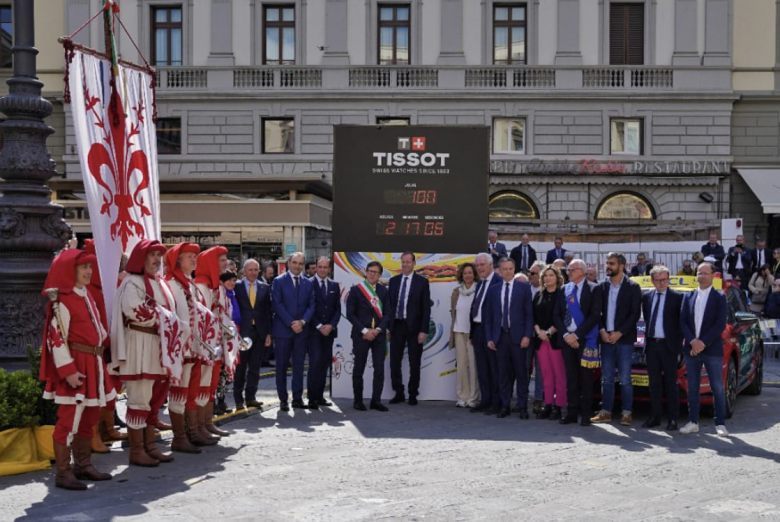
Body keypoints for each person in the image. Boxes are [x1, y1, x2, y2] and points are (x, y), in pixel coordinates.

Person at [40, 249, 116, 490]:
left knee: (90, 417)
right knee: (68, 420)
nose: (88, 271)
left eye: (90, 267)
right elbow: (56, 339)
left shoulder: (86, 295)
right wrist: (68, 371)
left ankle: (83, 465)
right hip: (78, 365)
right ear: (69, 271)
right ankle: (64, 473)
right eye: (83, 267)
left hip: (94, 362)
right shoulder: (63, 301)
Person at [111, 239, 180, 466]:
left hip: (157, 346)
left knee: (153, 399)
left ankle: (150, 446)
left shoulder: (159, 282)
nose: (157, 260)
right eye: (152, 255)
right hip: (140, 344)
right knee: (139, 398)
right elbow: (134, 310)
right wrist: (165, 318)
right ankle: (137, 451)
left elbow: (168, 311)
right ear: (141, 258)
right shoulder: (132, 282)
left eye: (159, 256)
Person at [82, 239, 125, 453]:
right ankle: (95, 434)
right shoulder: (87, 289)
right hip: (95, 347)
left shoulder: (111, 284)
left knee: (111, 387)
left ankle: (108, 428)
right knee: (96, 391)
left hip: (110, 342)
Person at [163, 242, 207, 453]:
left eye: (195, 256)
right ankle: (179, 437)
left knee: (188, 390)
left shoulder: (188, 284)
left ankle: (189, 432)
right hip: (180, 348)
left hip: (191, 347)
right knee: (179, 391)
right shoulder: (172, 284)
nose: (194, 259)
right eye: (189, 256)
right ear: (178, 260)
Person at [680, 262, 729, 436]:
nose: (701, 276)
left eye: (705, 273)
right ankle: (693, 421)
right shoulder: (688, 296)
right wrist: (693, 341)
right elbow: (683, 322)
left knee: (717, 387)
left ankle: (720, 423)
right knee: (692, 387)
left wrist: (702, 343)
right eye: (699, 273)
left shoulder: (719, 297)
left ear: (713, 275)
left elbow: (720, 324)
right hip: (692, 349)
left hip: (712, 350)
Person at [592, 253, 641, 426]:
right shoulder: (601, 287)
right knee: (606, 378)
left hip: (624, 340)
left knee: (625, 378)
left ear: (621, 266)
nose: (608, 266)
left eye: (611, 263)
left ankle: (626, 413)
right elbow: (596, 312)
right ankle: (606, 411)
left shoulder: (633, 287)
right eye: (607, 263)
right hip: (606, 339)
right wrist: (602, 331)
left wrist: (620, 333)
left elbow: (634, 314)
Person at [554, 259, 603, 426]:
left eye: (572, 269)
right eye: (568, 270)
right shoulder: (564, 289)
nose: (568, 272)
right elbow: (557, 315)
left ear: (582, 271)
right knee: (571, 378)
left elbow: (595, 315)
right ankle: (572, 413)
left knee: (586, 379)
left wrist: (577, 336)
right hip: (567, 339)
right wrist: (566, 335)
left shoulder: (594, 289)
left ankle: (586, 414)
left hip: (585, 340)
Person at [194, 246, 235, 440]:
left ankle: (207, 423)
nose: (226, 263)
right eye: (222, 260)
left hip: (216, 343)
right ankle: (198, 427)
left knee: (211, 384)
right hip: (206, 346)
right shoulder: (201, 286)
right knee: (202, 384)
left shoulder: (216, 286)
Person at [485, 258, 533, 418]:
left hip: (519, 338)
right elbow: (489, 317)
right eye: (504, 269)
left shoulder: (524, 288)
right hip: (500, 337)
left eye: (510, 268)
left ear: (514, 269)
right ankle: (505, 405)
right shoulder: (493, 290)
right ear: (499, 270)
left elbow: (529, 314)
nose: (508, 271)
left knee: (521, 374)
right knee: (503, 374)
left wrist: (527, 335)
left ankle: (522, 407)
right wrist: (490, 338)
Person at [271, 251, 316, 411]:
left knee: (299, 366)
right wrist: (291, 323)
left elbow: (312, 305)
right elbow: (277, 304)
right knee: (281, 366)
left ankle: (297, 398)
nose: (297, 266)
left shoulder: (308, 283)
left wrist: (302, 322)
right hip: (283, 331)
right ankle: (283, 399)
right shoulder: (278, 281)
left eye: (300, 263)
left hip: (302, 331)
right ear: (289, 263)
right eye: (295, 263)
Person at [642, 265, 683, 431]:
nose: (661, 283)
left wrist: (678, 346)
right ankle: (655, 417)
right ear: (652, 281)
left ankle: (673, 419)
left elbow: (681, 323)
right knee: (654, 384)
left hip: (669, 346)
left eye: (665, 280)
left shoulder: (677, 297)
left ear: (668, 280)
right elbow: (646, 319)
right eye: (658, 280)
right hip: (652, 344)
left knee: (671, 384)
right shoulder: (647, 297)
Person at [346, 261, 391, 411]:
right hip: (361, 335)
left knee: (379, 369)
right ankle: (358, 401)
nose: (372, 274)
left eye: (375, 272)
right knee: (359, 368)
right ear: (366, 272)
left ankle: (376, 401)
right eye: (370, 271)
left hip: (378, 335)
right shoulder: (356, 290)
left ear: (380, 275)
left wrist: (377, 330)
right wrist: (365, 331)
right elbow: (350, 314)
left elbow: (388, 314)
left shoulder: (384, 291)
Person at [388, 252, 432, 406]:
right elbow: (389, 306)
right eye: (403, 262)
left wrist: (424, 330)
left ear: (414, 263)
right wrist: (388, 327)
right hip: (397, 326)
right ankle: (398, 392)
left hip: (415, 327)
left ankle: (413, 393)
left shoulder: (422, 282)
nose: (405, 264)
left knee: (415, 362)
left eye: (408, 262)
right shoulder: (393, 281)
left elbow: (426, 308)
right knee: (394, 361)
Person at [233, 259, 273, 409]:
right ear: (244, 271)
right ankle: (238, 399)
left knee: (255, 368)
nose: (253, 273)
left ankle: (251, 397)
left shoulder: (265, 287)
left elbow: (268, 312)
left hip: (260, 333)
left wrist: (269, 333)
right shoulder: (236, 286)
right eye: (250, 270)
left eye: (256, 270)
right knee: (240, 368)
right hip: (242, 333)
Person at [469, 253, 503, 413]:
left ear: (491, 265)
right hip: (478, 330)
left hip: (491, 332)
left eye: (482, 265)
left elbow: (499, 312)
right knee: (482, 368)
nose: (479, 268)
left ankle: (496, 403)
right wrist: (472, 333)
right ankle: (485, 400)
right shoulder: (480, 284)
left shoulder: (498, 282)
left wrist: (495, 335)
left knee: (494, 368)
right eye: (477, 265)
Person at [533, 265, 567, 421]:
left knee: (559, 374)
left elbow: (563, 316)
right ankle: (547, 404)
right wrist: (539, 332)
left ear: (557, 278)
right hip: (540, 340)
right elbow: (533, 316)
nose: (548, 278)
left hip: (555, 339)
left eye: (551, 275)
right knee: (546, 374)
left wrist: (549, 332)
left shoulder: (562, 294)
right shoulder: (538, 295)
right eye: (545, 275)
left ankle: (558, 406)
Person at [308, 256, 341, 409]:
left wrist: (331, 325)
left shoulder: (334, 285)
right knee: (315, 363)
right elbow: (307, 308)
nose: (322, 269)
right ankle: (312, 398)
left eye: (325, 267)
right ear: (316, 267)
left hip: (329, 332)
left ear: (329, 269)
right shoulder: (308, 284)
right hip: (314, 331)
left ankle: (320, 396)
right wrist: (320, 326)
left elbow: (337, 309)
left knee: (324, 364)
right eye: (320, 267)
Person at [450, 262, 480, 408]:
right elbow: (453, 312)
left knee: (473, 366)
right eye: (465, 273)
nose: (467, 275)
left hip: (473, 333)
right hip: (458, 331)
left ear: (474, 275)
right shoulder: (456, 291)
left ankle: (473, 398)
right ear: (461, 275)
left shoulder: (479, 290)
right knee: (461, 365)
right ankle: (462, 396)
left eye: (470, 273)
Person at [217, 271, 240, 414]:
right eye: (229, 281)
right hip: (224, 336)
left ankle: (222, 400)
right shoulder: (221, 295)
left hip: (233, 335)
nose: (232, 283)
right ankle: (217, 402)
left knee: (227, 371)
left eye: (233, 280)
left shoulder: (232, 295)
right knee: (221, 371)